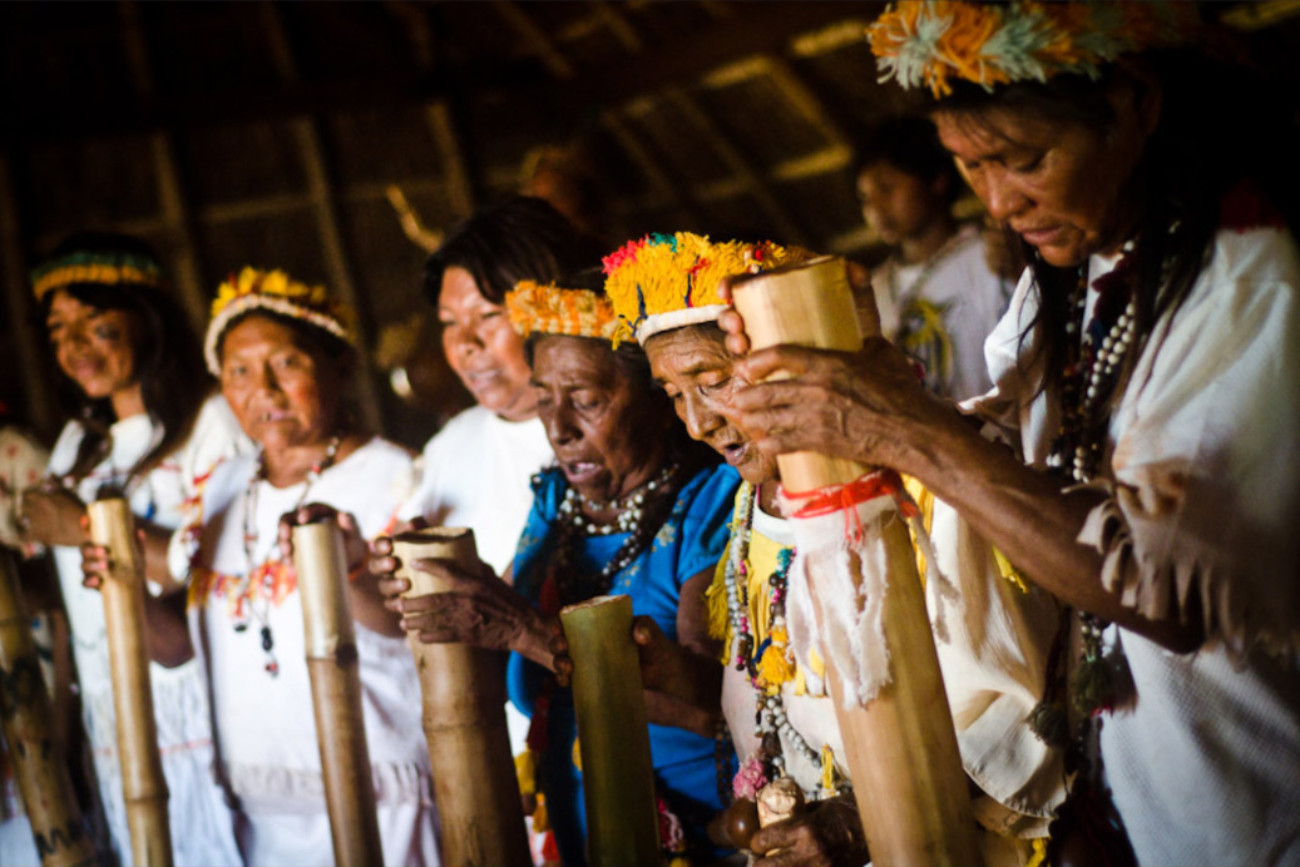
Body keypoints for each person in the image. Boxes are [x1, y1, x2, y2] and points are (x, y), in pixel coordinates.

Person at [718, 4, 1300, 864]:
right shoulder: (1074, 274)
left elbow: (1159, 589)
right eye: (970, 167)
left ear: (1136, 101)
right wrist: (868, 379)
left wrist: (898, 426)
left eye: (1024, 160)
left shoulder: (1250, 284)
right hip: (1133, 810)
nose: (996, 202)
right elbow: (1011, 466)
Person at [603, 231, 1064, 867]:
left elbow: (1021, 711)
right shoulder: (752, 506)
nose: (696, 424)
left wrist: (863, 817)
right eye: (674, 395)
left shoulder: (932, 485)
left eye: (711, 381)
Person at [377, 271, 740, 865]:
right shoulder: (555, 504)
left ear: (658, 395)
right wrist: (445, 591)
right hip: (574, 835)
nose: (559, 428)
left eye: (587, 401)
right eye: (544, 399)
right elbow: (513, 670)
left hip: (700, 842)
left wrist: (523, 627)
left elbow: (713, 705)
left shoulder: (710, 505)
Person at [86, 267, 438, 866]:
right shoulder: (223, 487)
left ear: (339, 367)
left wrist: (347, 572)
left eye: (287, 364)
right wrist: (126, 594)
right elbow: (183, 649)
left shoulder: (397, 478)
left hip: (382, 798)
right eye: (239, 372)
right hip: (257, 809)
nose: (263, 390)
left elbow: (420, 629)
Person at [18, 233, 244, 867]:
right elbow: (72, 607)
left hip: (198, 705)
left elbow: (216, 566)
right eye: (59, 331)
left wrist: (85, 524)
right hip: (109, 710)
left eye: (94, 326)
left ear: (146, 318)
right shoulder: (76, 447)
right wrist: (65, 730)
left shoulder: (212, 422)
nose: (73, 349)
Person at [856, 116, 1010, 400]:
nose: (875, 208)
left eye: (887, 188)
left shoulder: (990, 255)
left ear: (937, 180)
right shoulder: (873, 286)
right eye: (865, 197)